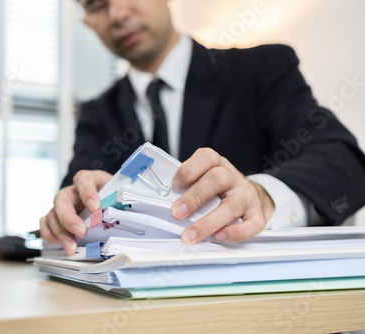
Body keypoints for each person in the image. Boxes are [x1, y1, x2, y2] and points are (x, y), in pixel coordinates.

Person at [40, 0, 365, 255]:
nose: (118, 13)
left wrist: (261, 197)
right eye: (96, 4)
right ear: (87, 21)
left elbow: (344, 163)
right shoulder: (98, 113)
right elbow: (74, 208)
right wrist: (75, 211)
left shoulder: (261, 71)